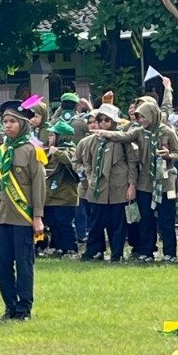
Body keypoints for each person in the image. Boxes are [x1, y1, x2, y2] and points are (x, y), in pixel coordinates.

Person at [0, 100, 46, 321]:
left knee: (24, 264)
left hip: (23, 216)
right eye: (5, 121)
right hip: (2, 215)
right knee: (1, 263)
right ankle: (9, 306)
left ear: (23, 124)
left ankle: (23, 308)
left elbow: (38, 185)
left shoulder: (32, 150)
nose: (8, 126)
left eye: (12, 121)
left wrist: (37, 217)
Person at [78, 104, 136, 262]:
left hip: (118, 185)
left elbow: (132, 163)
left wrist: (132, 185)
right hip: (98, 186)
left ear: (114, 122)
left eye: (107, 120)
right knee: (96, 221)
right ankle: (94, 251)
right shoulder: (92, 140)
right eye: (100, 120)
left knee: (117, 223)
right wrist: (90, 177)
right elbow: (87, 161)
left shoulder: (122, 140)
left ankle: (117, 254)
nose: (102, 123)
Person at [41, 122, 80, 257]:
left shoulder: (71, 150)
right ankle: (56, 247)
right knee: (53, 223)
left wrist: (57, 152)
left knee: (64, 224)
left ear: (62, 137)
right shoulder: (49, 150)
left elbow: (72, 163)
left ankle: (70, 248)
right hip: (50, 195)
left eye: (52, 135)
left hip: (65, 196)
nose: (49, 138)